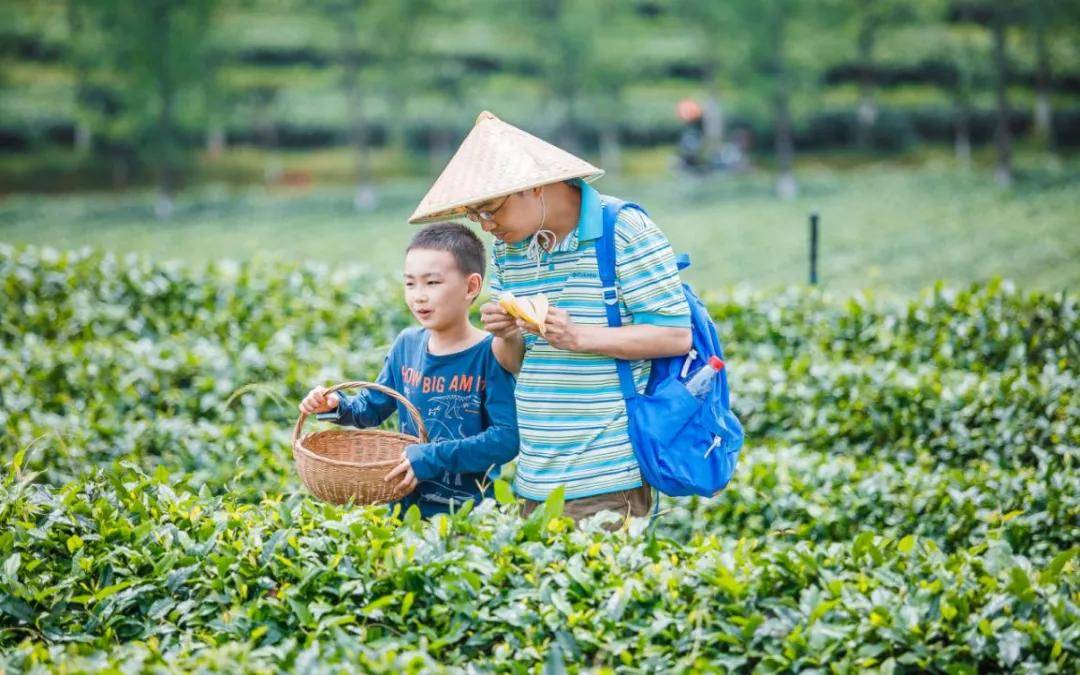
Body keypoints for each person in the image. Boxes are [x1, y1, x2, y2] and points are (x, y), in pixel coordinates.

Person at [407, 112, 692, 528]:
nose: (488, 226)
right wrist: (504, 335)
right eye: (478, 218)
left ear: (534, 188)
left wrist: (580, 337)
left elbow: (673, 336)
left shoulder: (624, 230)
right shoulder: (510, 251)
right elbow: (517, 363)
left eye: (491, 211)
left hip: (607, 471)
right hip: (534, 476)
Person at [298, 222, 519, 518]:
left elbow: (506, 440)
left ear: (471, 287)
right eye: (410, 283)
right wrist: (336, 405)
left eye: (432, 283)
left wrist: (430, 457)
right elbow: (370, 409)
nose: (419, 295)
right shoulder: (407, 345)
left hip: (471, 516)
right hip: (404, 513)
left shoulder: (489, 354)